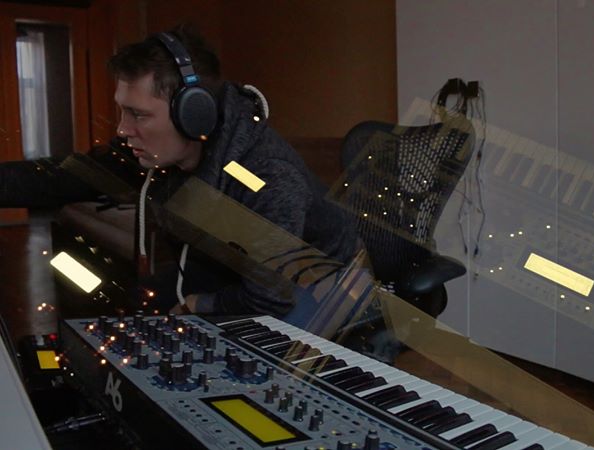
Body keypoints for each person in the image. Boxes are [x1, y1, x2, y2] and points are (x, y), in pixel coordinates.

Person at [0, 25, 360, 319]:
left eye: (138, 114)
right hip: (233, 266)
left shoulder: (265, 178)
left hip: (317, 288)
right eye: (123, 111)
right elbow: (62, 177)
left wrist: (196, 304)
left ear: (193, 114)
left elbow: (270, 298)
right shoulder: (156, 150)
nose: (123, 129)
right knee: (138, 304)